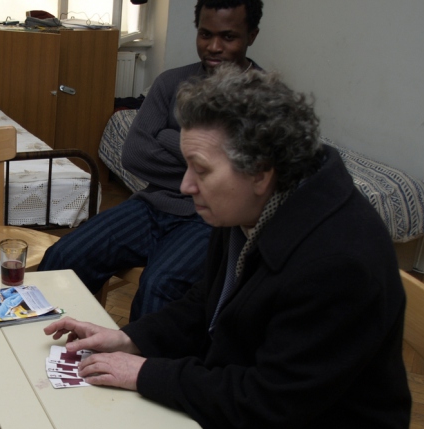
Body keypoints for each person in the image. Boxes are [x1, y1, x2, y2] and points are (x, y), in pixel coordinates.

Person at [43, 66, 412, 429]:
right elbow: (206, 302)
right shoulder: (251, 206)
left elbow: (268, 404)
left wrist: (148, 373)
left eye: (201, 170)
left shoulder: (338, 260)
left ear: (261, 172)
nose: (184, 186)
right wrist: (131, 338)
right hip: (268, 399)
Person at [38, 0, 263, 320]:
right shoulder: (171, 82)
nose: (214, 47)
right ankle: (42, 348)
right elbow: (134, 155)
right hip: (152, 205)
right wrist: (208, 158)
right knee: (63, 256)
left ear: (251, 35)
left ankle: (139, 368)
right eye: (205, 34)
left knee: (159, 285)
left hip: (213, 219)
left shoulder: (262, 98)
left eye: (228, 37)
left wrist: (167, 137)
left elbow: (238, 176)